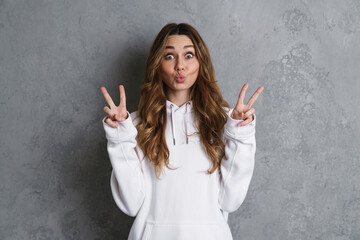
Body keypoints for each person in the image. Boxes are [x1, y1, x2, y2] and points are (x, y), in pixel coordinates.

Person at [100, 23, 264, 240]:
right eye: (169, 56)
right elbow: (131, 204)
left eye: (188, 55)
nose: (180, 66)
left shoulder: (226, 122)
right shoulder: (137, 125)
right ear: (157, 64)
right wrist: (120, 137)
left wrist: (240, 134)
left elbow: (231, 201)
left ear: (201, 62)